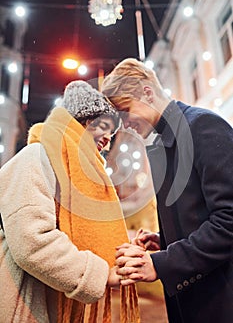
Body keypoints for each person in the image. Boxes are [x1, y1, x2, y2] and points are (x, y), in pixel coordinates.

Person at [101, 58, 233, 323]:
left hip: (221, 298)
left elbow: (228, 220)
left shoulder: (203, 126)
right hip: (193, 299)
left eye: (125, 111)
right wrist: (166, 239)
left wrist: (161, 263)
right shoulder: (163, 145)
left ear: (147, 92)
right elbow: (202, 213)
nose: (124, 125)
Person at [0, 80, 140, 323]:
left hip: (56, 303)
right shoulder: (36, 157)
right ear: (80, 121)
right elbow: (32, 241)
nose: (107, 139)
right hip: (25, 303)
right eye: (103, 126)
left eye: (112, 133)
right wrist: (100, 273)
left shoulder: (73, 175)